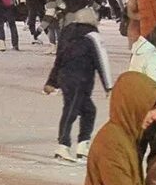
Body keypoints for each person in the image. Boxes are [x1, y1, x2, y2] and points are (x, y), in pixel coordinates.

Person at [45, 15, 114, 163]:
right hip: (81, 78)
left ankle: (83, 145)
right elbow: (102, 60)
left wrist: (52, 81)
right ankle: (63, 145)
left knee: (88, 110)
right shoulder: (93, 35)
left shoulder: (67, 32)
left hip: (65, 77)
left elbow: (59, 58)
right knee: (72, 110)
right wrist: (109, 86)